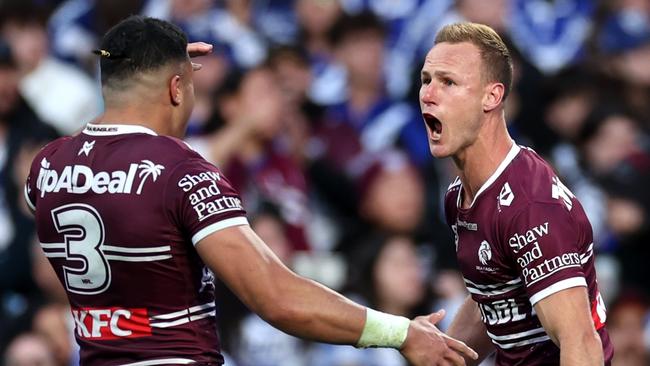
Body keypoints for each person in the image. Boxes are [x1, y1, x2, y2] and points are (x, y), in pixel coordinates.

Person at [23, 15, 477, 366]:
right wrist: (399, 332)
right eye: (192, 86)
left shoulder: (46, 167)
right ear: (176, 89)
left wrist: (155, 56)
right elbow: (277, 298)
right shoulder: (182, 172)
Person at [418, 22, 614, 365]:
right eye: (426, 80)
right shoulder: (459, 196)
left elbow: (581, 344)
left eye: (448, 82)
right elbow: (493, 298)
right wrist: (443, 352)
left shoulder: (530, 208)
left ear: (491, 97)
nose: (429, 94)